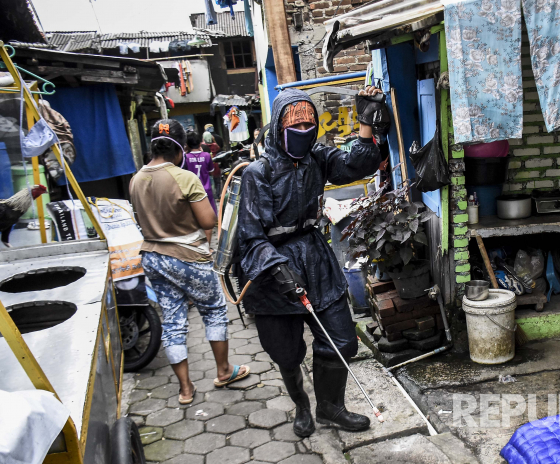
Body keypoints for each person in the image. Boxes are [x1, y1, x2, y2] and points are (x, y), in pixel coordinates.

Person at [237, 87, 384, 438]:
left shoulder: (318, 157)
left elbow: (355, 164)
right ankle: (302, 405)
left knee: (342, 340)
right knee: (285, 352)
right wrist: (276, 268)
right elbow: (250, 235)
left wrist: (366, 123)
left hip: (315, 258)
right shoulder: (258, 173)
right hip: (272, 270)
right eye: (294, 125)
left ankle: (331, 408)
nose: (303, 132)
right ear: (277, 128)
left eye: (309, 125)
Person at [129, 119, 250, 405]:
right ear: (180, 149)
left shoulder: (136, 179)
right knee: (214, 310)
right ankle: (223, 371)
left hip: (153, 259)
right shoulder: (183, 178)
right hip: (187, 257)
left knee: (172, 320)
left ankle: (185, 389)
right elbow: (209, 220)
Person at [184, 131, 218, 243]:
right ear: (200, 143)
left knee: (194, 219)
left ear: (187, 144)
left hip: (191, 191)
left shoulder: (185, 158)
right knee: (208, 219)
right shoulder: (207, 155)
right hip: (206, 190)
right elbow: (211, 172)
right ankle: (208, 246)